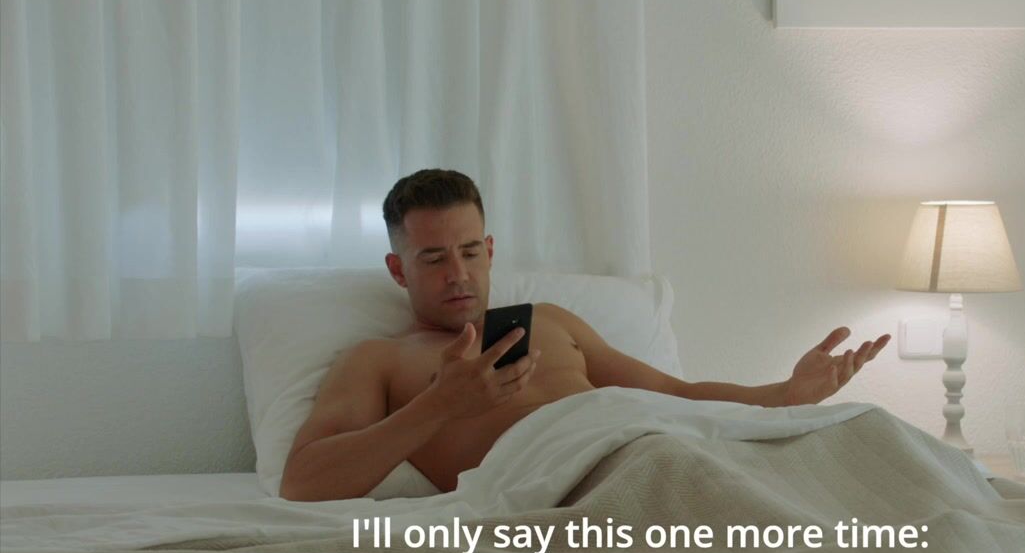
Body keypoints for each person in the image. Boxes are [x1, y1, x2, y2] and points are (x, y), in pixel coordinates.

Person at [279, 169, 891, 501]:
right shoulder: (379, 361)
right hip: (581, 482)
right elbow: (303, 482)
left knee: (869, 444)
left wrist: (785, 396)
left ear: (490, 250)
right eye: (434, 259)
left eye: (469, 251)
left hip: (654, 436)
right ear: (398, 270)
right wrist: (439, 406)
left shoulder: (550, 320)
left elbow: (673, 395)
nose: (458, 274)